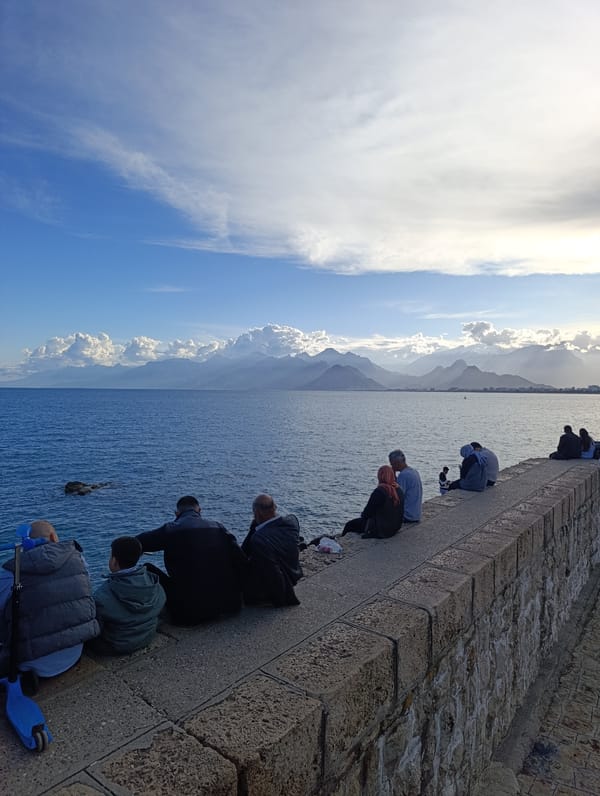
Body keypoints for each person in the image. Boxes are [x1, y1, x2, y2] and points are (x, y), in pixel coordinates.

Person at [0, 520, 98, 680]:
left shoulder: (11, 574)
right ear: (53, 536)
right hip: (74, 652)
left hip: (28, 664)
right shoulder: (79, 560)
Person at [136, 496, 246, 626]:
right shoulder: (219, 527)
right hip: (229, 606)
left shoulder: (170, 530)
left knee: (147, 568)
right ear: (199, 511)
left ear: (177, 513)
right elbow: (241, 560)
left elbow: (134, 543)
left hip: (188, 614)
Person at [91, 536, 166, 655]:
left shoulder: (102, 595)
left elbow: (97, 627)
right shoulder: (153, 582)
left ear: (114, 561)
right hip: (148, 636)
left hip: (117, 646)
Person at [241, 494, 303, 607]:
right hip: (293, 574)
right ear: (275, 507)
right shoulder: (292, 521)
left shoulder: (259, 539)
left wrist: (281, 600)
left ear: (257, 512)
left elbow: (273, 572)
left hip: (279, 584)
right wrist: (255, 528)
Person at [342, 465, 404, 539]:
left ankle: (340, 542)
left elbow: (367, 513)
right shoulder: (399, 490)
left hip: (381, 530)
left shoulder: (380, 492)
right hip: (395, 527)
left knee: (349, 525)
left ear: (380, 476)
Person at [388, 450, 423, 522]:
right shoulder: (413, 471)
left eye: (392, 464)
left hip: (407, 515)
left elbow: (396, 497)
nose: (391, 467)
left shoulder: (403, 475)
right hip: (416, 514)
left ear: (397, 463)